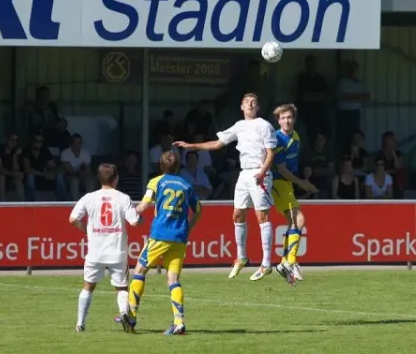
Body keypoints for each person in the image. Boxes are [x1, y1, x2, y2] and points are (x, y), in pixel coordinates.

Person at [174, 93, 278, 281]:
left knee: (261, 216)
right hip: (244, 173)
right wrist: (191, 146)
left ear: (258, 107)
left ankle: (266, 263)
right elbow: (217, 143)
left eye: (254, 102)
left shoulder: (264, 125)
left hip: (259, 172)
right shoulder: (239, 126)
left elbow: (271, 153)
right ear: (241, 106)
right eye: (247, 102)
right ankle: (241, 257)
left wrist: (263, 172)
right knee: (237, 215)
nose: (250, 104)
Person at [124, 151, 201, 335]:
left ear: (161, 166)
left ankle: (132, 316)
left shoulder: (156, 182)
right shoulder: (186, 185)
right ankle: (179, 322)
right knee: (173, 279)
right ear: (178, 166)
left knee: (139, 271)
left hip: (160, 234)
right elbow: (198, 210)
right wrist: (187, 229)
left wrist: (130, 213)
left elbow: (143, 206)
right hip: (179, 237)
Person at [69, 163, 141, 333]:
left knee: (88, 286)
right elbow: (135, 221)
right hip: (117, 252)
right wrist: (140, 218)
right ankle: (123, 312)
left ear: (99, 179)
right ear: (116, 178)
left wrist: (87, 230)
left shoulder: (89, 197)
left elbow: (72, 219)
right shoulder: (122, 198)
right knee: (122, 288)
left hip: (95, 251)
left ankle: (80, 323)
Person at [270, 104, 318, 284]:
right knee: (299, 220)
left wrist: (302, 175)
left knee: (292, 222)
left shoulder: (296, 137)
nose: (286, 121)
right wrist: (302, 183)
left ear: (294, 119)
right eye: (283, 118)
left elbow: (293, 163)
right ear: (278, 120)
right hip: (277, 182)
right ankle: (291, 261)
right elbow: (281, 169)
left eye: (289, 117)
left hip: (287, 184)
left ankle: (284, 262)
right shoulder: (276, 139)